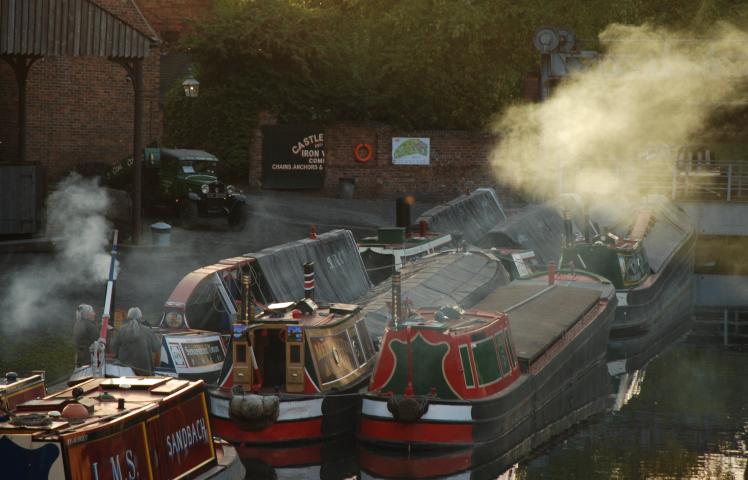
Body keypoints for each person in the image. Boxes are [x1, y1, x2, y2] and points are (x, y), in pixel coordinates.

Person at [110, 307, 162, 375]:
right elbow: (157, 347)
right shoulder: (148, 331)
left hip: (125, 371)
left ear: (128, 317)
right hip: (145, 371)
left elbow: (113, 347)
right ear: (140, 318)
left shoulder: (121, 330)